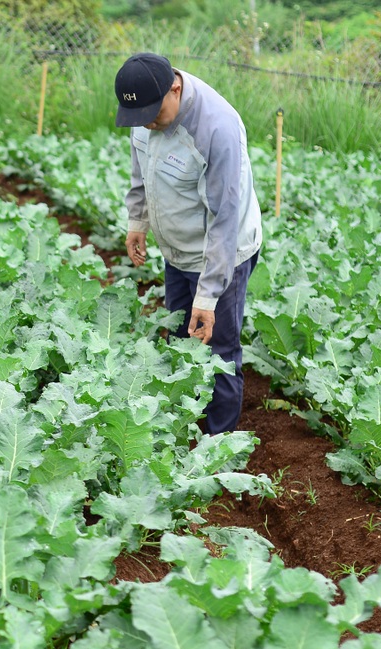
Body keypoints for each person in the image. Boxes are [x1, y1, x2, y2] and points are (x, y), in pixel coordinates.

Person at [114, 52, 262, 434]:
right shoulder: (146, 110)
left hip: (220, 256)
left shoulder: (217, 128)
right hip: (177, 251)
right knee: (181, 338)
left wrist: (208, 295)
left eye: (151, 113)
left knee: (218, 350)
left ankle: (218, 448)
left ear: (175, 89)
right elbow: (139, 167)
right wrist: (138, 220)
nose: (145, 122)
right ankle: (185, 427)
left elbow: (224, 219)